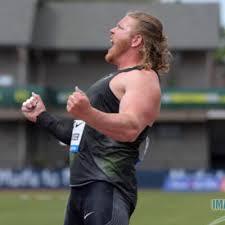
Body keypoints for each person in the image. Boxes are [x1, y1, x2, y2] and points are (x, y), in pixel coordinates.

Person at [21, 11, 170, 225]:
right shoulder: (113, 79)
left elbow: (130, 128)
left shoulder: (142, 77)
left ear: (136, 40)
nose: (111, 30)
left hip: (107, 188)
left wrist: (88, 113)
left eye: (119, 27)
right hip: (81, 191)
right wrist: (41, 117)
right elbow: (79, 134)